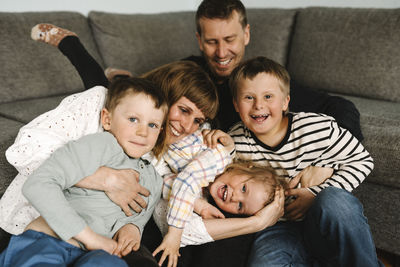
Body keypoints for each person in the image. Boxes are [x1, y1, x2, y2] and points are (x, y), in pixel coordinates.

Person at [0, 24, 286, 267]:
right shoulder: (102, 117)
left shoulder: (159, 161)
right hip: (40, 226)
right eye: (184, 111)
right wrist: (106, 179)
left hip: (97, 245)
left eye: (198, 121)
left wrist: (255, 223)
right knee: (102, 87)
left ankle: (120, 77)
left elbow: (172, 222)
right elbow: (24, 152)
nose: (187, 127)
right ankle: (71, 43)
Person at [226, 56, 382, 266]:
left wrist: (314, 194)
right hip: (278, 228)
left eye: (268, 96)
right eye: (248, 98)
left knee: (336, 202)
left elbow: (362, 160)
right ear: (236, 104)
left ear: (285, 102)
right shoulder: (234, 141)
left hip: (321, 215)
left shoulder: (316, 127)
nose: (258, 105)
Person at [0, 77, 168, 266]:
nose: (142, 132)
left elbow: (139, 216)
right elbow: (38, 184)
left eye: (152, 125)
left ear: (160, 131)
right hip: (49, 241)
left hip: (98, 253)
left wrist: (132, 229)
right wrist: (91, 238)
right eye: (133, 119)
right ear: (107, 119)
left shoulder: (154, 179)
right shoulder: (101, 145)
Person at [185, 0, 363, 142]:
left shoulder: (262, 80)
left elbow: (341, 107)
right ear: (199, 40)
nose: (222, 52)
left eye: (229, 39)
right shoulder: (185, 71)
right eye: (211, 42)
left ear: (246, 34)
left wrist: (330, 158)